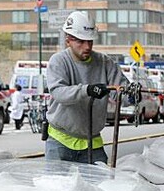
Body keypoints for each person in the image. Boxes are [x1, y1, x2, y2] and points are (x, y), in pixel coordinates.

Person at [45, 11, 130, 164]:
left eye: (90, 41)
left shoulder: (104, 63)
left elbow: (120, 90)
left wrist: (130, 95)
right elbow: (58, 93)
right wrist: (87, 90)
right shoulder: (58, 61)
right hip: (61, 140)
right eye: (81, 41)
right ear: (68, 40)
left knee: (99, 186)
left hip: (92, 140)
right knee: (57, 186)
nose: (87, 46)